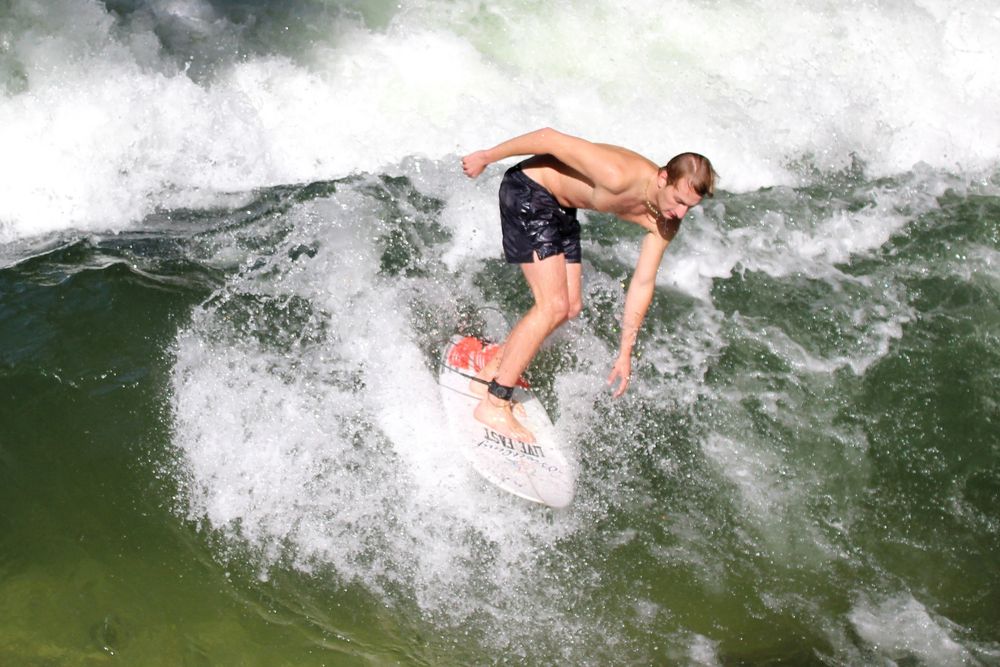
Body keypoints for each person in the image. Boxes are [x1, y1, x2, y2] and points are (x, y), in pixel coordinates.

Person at [461, 128, 716, 443]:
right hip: (529, 191)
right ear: (663, 177)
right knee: (551, 306)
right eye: (678, 200)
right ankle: (495, 403)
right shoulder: (618, 174)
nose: (680, 213)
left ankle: (490, 373)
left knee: (569, 307)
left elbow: (643, 282)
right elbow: (549, 138)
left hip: (560, 208)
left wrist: (625, 352)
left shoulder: (666, 221)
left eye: (689, 207)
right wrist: (486, 156)